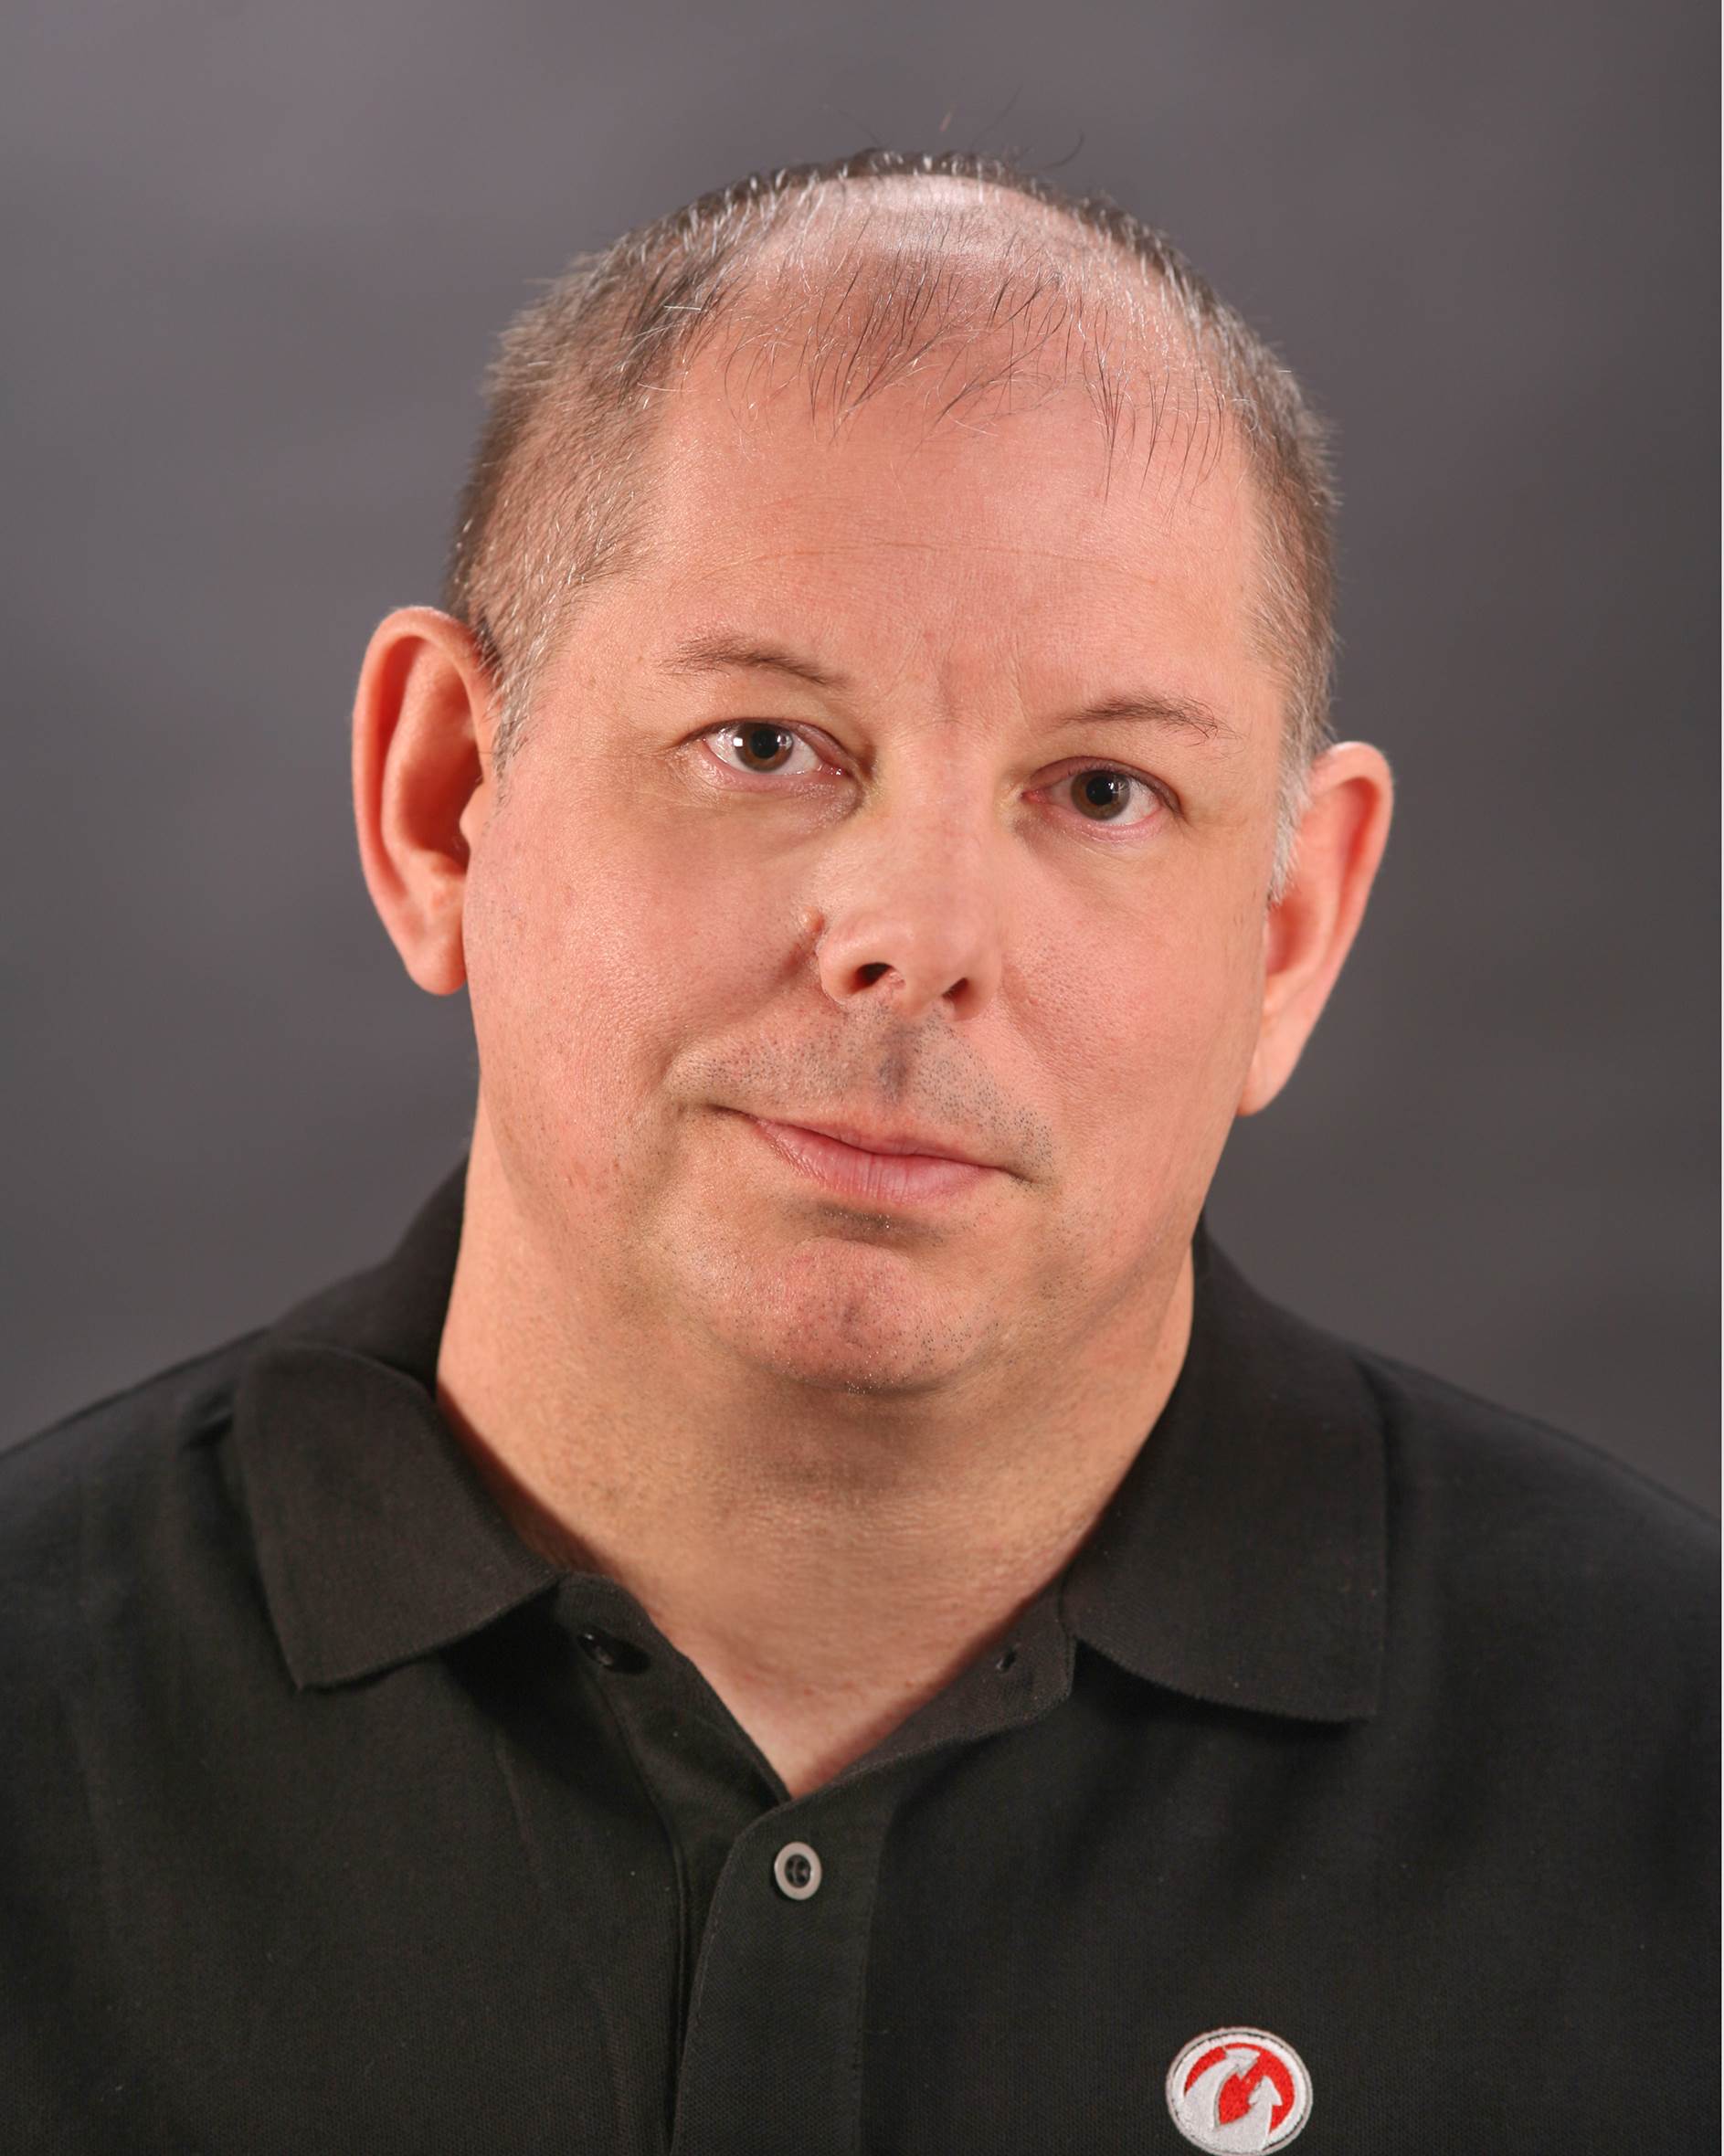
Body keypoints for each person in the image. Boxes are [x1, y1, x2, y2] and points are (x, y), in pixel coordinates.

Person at [2, 151, 1713, 2155]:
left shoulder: (1669, 1770)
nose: (918, 933)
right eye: (764, 744)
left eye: (1101, 789)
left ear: (1289, 932)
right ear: (440, 800)